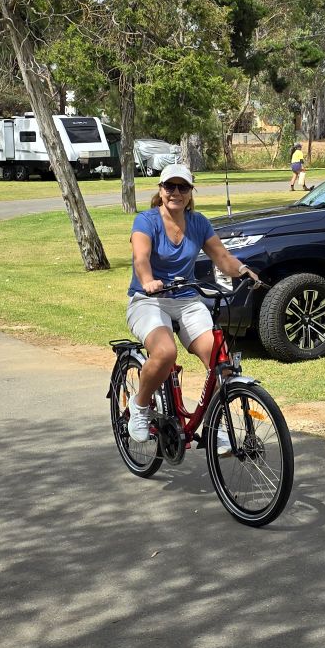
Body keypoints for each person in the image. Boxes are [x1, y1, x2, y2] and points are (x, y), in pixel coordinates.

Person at [126, 164, 259, 443]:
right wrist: (148, 280)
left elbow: (222, 257)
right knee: (165, 353)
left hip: (187, 299)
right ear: (161, 190)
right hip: (149, 300)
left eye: (183, 187)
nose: (176, 192)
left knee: (221, 362)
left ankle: (214, 426)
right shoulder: (146, 220)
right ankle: (139, 407)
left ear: (190, 192)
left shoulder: (198, 222)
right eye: (170, 186)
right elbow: (141, 258)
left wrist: (242, 270)